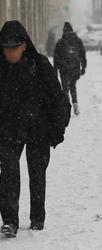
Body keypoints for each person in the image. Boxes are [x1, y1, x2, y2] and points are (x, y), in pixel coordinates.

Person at [0, 20, 71, 238]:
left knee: (37, 175)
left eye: (14, 48)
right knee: (9, 174)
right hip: (8, 131)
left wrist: (57, 129)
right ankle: (10, 221)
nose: (10, 53)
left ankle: (37, 218)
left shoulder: (40, 65)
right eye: (6, 49)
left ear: (24, 45)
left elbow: (58, 99)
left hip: (38, 130)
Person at [54, 22, 87, 115]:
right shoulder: (78, 41)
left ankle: (66, 107)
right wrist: (83, 67)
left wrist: (55, 71)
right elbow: (83, 54)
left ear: (63, 31)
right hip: (75, 68)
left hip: (63, 69)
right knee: (73, 86)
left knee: (65, 88)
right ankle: (75, 105)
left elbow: (56, 58)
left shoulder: (60, 42)